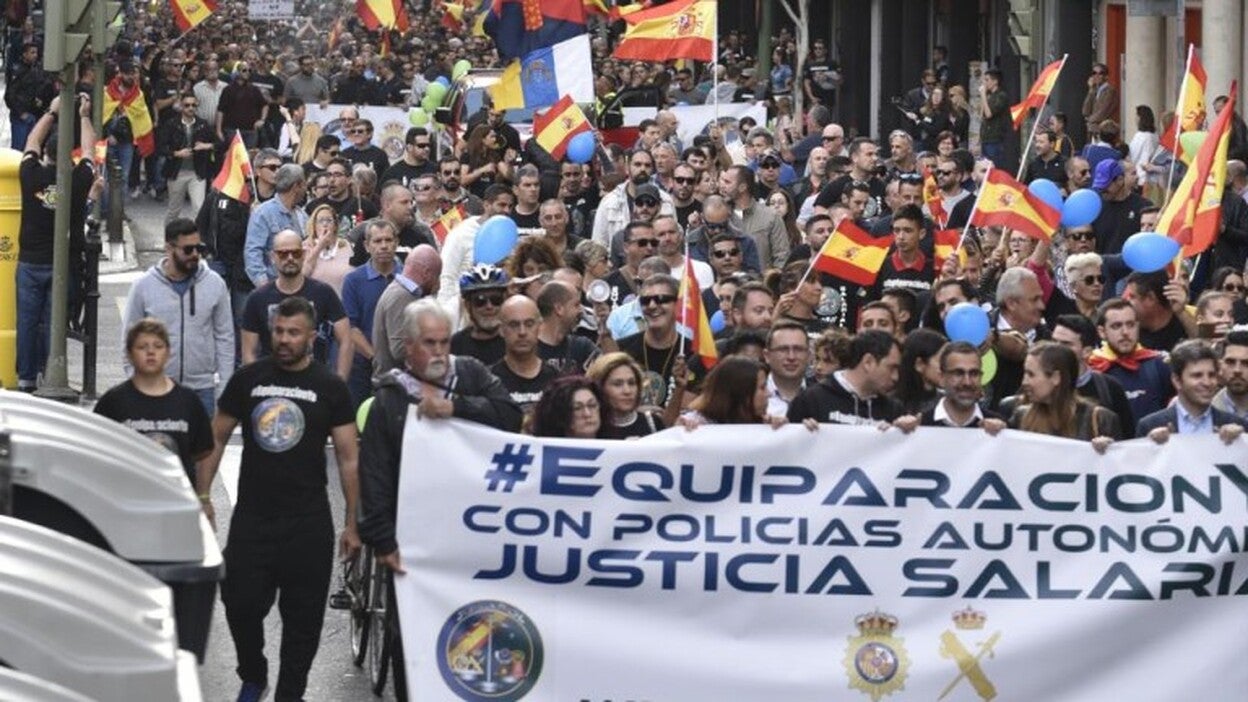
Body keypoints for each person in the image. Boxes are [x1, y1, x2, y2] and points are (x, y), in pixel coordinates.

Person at [197, 296, 360, 702]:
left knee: (303, 621)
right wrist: (203, 494)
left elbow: (348, 459)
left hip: (308, 521)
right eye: (278, 332)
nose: (283, 340)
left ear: (311, 336)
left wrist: (353, 524)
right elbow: (215, 436)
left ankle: (291, 692)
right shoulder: (249, 379)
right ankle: (253, 672)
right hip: (254, 517)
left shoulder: (330, 387)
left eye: (293, 333)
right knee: (238, 600)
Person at [359, 297, 522, 569]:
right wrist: (383, 541)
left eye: (444, 342)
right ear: (409, 346)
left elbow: (510, 416)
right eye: (429, 343)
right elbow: (375, 474)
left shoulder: (471, 373)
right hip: (413, 528)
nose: (438, 352)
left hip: (472, 524)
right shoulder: (391, 397)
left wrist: (456, 407)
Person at [16, 94, 96, 391]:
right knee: (54, 322)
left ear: (46, 154)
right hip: (61, 263)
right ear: (68, 156)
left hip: (29, 261)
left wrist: (52, 111)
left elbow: (30, 144)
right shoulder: (77, 181)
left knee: (26, 321)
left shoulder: (30, 174)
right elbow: (89, 150)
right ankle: (50, 373)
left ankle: (26, 376)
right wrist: (84, 115)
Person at [123, 218, 235, 417]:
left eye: (199, 249)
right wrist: (136, 382)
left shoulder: (214, 284)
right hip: (156, 387)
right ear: (169, 248)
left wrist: (224, 386)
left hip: (203, 390)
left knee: (202, 448)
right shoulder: (143, 286)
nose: (195, 255)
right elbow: (129, 340)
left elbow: (225, 337)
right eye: (188, 249)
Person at [95, 318, 214, 485]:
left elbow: (202, 450)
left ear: (168, 353)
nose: (151, 352)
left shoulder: (188, 401)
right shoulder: (113, 401)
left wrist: (203, 496)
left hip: (176, 499)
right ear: (129, 354)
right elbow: (99, 450)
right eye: (142, 347)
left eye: (158, 346)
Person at [240, 230, 353, 379]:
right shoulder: (258, 298)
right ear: (273, 257)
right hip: (271, 384)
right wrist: (255, 386)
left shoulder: (323, 292)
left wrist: (341, 382)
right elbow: (248, 351)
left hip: (315, 382)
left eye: (296, 253)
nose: (290, 258)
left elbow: (346, 339)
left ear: (304, 254)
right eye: (283, 254)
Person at [1008, 342, 1118, 452]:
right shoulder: (1020, 416)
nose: (1024, 382)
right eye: (1025, 374)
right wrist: (996, 430)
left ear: (1056, 378)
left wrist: (1110, 449)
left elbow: (1120, 463)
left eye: (1031, 374)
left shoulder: (1100, 419)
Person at [787, 330, 906, 425]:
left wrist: (905, 433)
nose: (896, 377)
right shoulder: (811, 400)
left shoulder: (894, 410)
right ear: (868, 362)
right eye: (891, 368)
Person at [1137, 340, 1247, 443]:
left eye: (1212, 375)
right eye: (1197, 375)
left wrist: (1241, 441)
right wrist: (1150, 447)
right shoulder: (1150, 426)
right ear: (1177, 381)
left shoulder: (1236, 426)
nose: (1207, 382)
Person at [341, 219, 399, 407]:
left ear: (396, 243)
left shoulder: (408, 278)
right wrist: (376, 358)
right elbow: (351, 327)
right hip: (363, 368)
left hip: (402, 367)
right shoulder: (353, 280)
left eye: (388, 240)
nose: (384, 246)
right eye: (377, 241)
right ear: (366, 246)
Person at [372, 245, 441, 380]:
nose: (438, 283)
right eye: (437, 276)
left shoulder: (403, 293)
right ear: (426, 273)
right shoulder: (402, 296)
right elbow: (399, 350)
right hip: (394, 388)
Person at [492, 295, 559, 418]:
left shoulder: (557, 381)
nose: (522, 332)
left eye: (529, 324)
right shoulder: (490, 381)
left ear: (540, 326)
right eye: (514, 325)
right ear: (501, 329)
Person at [244, 164, 309, 287]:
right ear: (296, 186)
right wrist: (265, 288)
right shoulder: (263, 213)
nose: (306, 188)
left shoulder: (302, 215)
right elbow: (253, 253)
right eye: (304, 184)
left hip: (299, 285)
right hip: (273, 284)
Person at [918, 341, 1005, 432]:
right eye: (958, 373)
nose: (967, 382)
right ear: (942, 377)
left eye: (974, 373)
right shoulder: (921, 425)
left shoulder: (999, 427)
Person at [680, 356, 783, 428]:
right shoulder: (694, 424)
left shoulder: (767, 425)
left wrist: (782, 430)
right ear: (742, 392)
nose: (769, 394)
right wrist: (682, 432)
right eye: (762, 387)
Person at [586, 352, 666, 438]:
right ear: (599, 388)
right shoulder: (590, 428)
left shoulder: (653, 423)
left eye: (631, 383)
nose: (627, 391)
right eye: (617, 384)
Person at [532, 375, 606, 438]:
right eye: (577, 408)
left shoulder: (616, 443)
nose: (587, 414)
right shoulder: (541, 450)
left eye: (592, 405)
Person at [894, 328, 946, 415]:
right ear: (920, 364)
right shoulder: (890, 406)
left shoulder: (948, 404)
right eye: (942, 360)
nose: (948, 367)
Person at [1213, 330, 1248, 419]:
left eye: (1246, 363)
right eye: (1230, 362)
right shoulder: (1203, 409)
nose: (1237, 370)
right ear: (1220, 365)